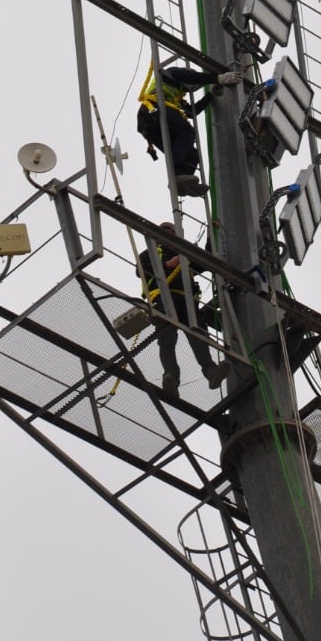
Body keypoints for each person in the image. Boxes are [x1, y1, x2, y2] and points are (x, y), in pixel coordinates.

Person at [138, 223, 226, 398]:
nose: (168, 231)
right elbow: (142, 270)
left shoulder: (185, 253)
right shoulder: (151, 252)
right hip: (164, 296)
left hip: (187, 300)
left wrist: (211, 235)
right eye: (164, 229)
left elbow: (206, 260)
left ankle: (210, 371)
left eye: (171, 229)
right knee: (167, 337)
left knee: (199, 334)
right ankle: (171, 376)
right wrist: (170, 264)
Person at [136, 61, 242, 196]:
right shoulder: (172, 73)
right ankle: (177, 176)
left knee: (191, 154)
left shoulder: (175, 98)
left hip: (149, 125)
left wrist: (211, 95)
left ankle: (183, 181)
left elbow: (191, 112)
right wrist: (218, 78)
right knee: (187, 132)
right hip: (152, 111)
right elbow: (194, 78)